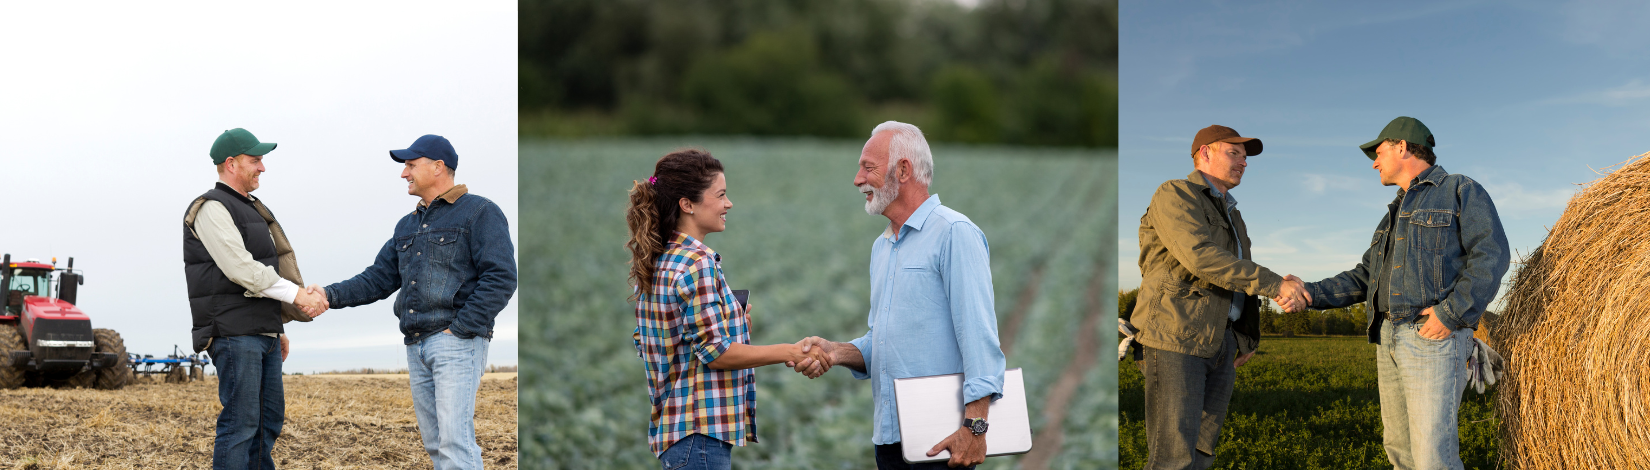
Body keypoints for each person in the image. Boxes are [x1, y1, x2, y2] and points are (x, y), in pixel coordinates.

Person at [787, 121, 1007, 469]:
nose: (858, 179)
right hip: (890, 440)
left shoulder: (954, 233)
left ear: (903, 170)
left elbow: (979, 338)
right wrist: (838, 352)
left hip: (945, 442)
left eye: (868, 168)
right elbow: (885, 343)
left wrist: (976, 428)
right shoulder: (883, 246)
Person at [1294, 117, 1509, 470]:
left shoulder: (1459, 189)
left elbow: (1492, 253)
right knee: (1400, 453)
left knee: (1432, 459)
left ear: (1402, 147)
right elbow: (1366, 277)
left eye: (1378, 153)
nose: (1375, 163)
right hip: (1388, 337)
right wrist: (1308, 292)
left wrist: (1451, 314)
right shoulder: (1393, 213)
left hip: (1431, 339)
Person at [312, 134, 518, 470]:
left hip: (456, 343)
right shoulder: (407, 225)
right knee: (437, 445)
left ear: (438, 167)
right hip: (416, 343)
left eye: (411, 164)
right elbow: (377, 278)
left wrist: (462, 328)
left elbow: (502, 276)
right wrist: (327, 295)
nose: (404, 173)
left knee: (455, 444)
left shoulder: (480, 212)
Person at [625, 148, 830, 470]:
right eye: (720, 195)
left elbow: (658, 340)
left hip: (676, 432)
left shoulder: (660, 259)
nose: (728, 204)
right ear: (687, 204)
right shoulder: (697, 263)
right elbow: (716, 353)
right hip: (699, 436)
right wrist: (790, 350)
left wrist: (733, 321)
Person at [1127, 125, 1311, 469]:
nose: (1243, 163)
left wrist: (1247, 336)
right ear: (1204, 153)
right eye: (1234, 153)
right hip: (1175, 338)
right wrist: (1275, 285)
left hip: (1220, 342)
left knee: (1202, 451)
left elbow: (1240, 273)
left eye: (1245, 157)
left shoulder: (1233, 213)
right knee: (1173, 456)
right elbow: (1202, 257)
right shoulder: (1176, 194)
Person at [183, 127, 328, 469]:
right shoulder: (211, 208)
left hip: (260, 331)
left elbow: (263, 270)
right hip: (234, 333)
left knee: (267, 422)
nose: (262, 167)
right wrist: (298, 295)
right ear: (231, 164)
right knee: (241, 424)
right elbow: (242, 269)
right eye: (256, 160)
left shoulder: (250, 208)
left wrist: (276, 327)